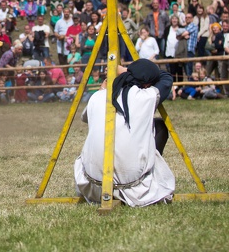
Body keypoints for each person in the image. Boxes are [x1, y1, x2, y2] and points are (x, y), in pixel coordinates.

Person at [74, 60, 175, 207]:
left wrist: (107, 86)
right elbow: (166, 78)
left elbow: (86, 118)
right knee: (159, 126)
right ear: (147, 84)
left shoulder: (97, 96)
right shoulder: (146, 96)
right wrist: (127, 70)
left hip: (94, 187)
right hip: (135, 188)